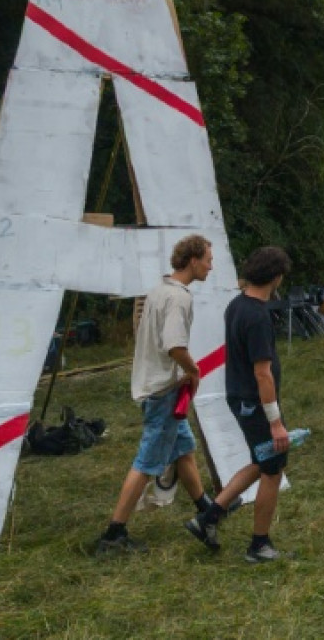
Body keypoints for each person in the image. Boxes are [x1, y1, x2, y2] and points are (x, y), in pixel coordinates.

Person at [95, 235, 221, 555]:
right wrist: (193, 371)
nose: (211, 266)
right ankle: (114, 533)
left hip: (156, 386)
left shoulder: (159, 290)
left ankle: (206, 509)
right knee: (147, 462)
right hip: (163, 391)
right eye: (208, 260)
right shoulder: (179, 298)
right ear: (193, 260)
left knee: (184, 450)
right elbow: (175, 346)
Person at [187, 246, 295, 563]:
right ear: (276, 277)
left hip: (239, 396)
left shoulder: (237, 305)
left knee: (261, 460)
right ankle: (259, 545)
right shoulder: (258, 317)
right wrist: (275, 421)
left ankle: (208, 518)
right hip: (255, 402)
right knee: (273, 469)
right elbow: (262, 373)